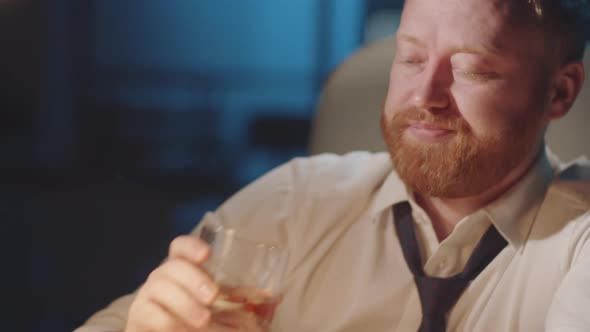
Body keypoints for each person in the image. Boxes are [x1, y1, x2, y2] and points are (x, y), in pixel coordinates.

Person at [75, 0, 590, 331]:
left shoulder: (579, 242)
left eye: (471, 69)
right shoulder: (297, 199)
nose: (425, 96)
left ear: (560, 92)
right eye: (410, 59)